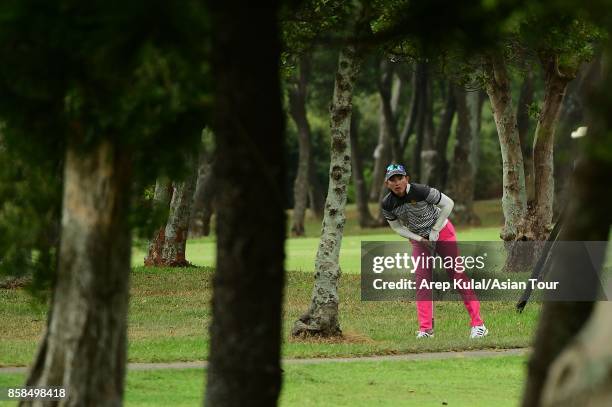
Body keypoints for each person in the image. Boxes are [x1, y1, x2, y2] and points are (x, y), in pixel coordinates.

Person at [381, 163, 488, 339]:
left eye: (400, 178)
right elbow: (397, 228)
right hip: (420, 240)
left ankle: (479, 325)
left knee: (457, 275)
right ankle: (426, 330)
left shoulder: (421, 191)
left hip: (442, 232)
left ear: (406, 179)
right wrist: (418, 239)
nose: (397, 182)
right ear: (387, 184)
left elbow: (448, 204)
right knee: (422, 282)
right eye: (392, 180)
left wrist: (435, 230)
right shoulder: (388, 204)